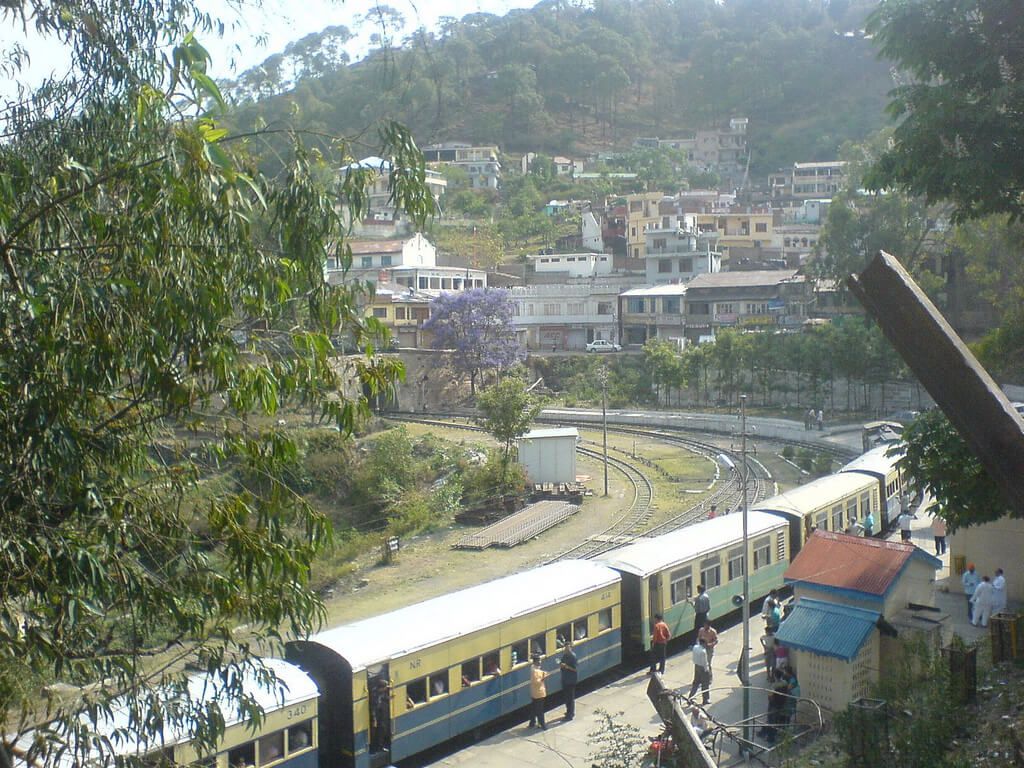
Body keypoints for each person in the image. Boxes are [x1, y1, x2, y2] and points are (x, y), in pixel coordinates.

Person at [527, 654, 550, 730]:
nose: (540, 662)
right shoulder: (535, 671)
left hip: (534, 692)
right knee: (540, 710)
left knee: (534, 708)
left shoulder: (533, 668)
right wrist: (544, 677)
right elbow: (537, 682)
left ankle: (532, 722)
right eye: (539, 660)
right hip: (539, 693)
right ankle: (543, 724)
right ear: (536, 661)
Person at [559, 640, 578, 721]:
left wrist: (566, 666)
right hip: (565, 679)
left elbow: (575, 669)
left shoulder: (573, 656)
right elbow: (562, 664)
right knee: (566, 697)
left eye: (568, 648)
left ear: (571, 647)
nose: (566, 650)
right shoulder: (565, 655)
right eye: (565, 648)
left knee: (570, 698)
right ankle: (568, 711)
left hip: (571, 680)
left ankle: (570, 715)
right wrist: (561, 665)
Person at [688, 638, 711, 705]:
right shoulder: (703, 651)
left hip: (696, 666)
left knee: (696, 683)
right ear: (703, 643)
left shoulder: (695, 647)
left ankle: (690, 698)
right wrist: (707, 671)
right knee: (705, 684)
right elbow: (705, 662)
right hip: (703, 669)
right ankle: (705, 699)